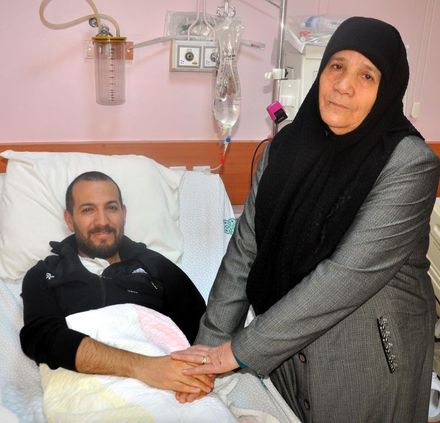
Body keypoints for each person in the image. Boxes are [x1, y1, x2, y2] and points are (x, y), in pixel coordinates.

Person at [171, 16, 440, 422]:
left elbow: (345, 277)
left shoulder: (408, 164)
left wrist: (235, 352)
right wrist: (205, 351)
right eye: (337, 66)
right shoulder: (285, 148)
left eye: (366, 75)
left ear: (388, 89)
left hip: (367, 364)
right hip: (284, 356)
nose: (343, 85)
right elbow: (245, 251)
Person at [19, 171, 213, 397]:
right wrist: (143, 367)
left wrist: (200, 375)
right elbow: (42, 339)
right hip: (85, 393)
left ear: (124, 213)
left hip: (167, 391)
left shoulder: (157, 266)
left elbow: (204, 334)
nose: (102, 221)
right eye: (88, 210)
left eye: (111, 208)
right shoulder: (44, 274)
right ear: (69, 219)